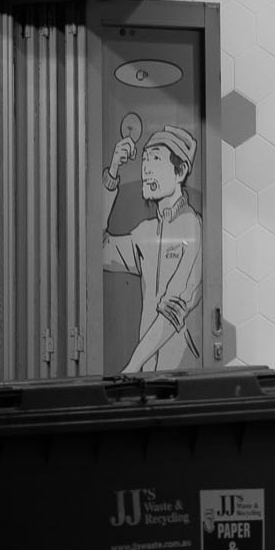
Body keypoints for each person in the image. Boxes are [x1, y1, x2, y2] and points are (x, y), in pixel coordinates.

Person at [101, 124, 202, 373]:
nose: (146, 168)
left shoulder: (192, 227)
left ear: (180, 171)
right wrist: (112, 174)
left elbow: (171, 313)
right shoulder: (144, 233)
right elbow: (99, 251)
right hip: (146, 375)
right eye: (145, 159)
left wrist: (131, 369)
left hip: (179, 375)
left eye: (155, 159)